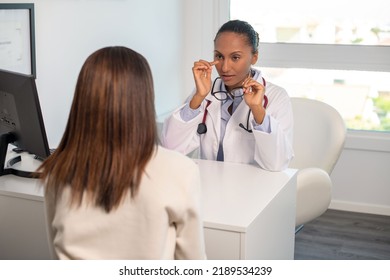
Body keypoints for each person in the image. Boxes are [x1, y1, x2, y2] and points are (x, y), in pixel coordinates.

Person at [38, 46, 206, 260]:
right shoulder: (180, 171)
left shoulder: (58, 170)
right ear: (144, 101)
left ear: (83, 99)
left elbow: (56, 255)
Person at [161, 20, 294, 171]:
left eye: (235, 57)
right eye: (219, 56)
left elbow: (277, 163)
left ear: (254, 57)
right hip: (209, 184)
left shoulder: (276, 97)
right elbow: (171, 149)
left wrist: (257, 110)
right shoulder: (205, 93)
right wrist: (198, 97)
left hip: (253, 188)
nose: (224, 67)